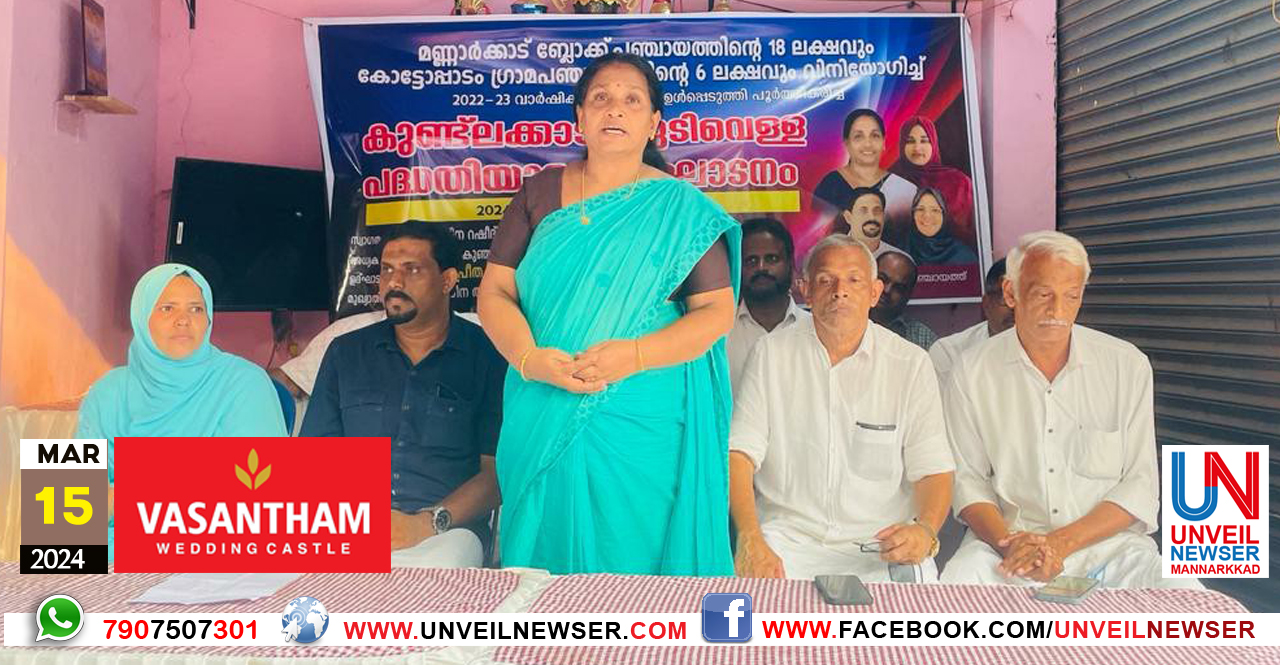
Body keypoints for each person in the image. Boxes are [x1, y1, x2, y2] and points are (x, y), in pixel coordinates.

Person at [476, 52, 740, 576]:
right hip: (543, 397)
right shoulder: (539, 192)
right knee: (544, 569)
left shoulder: (682, 209)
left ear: (653, 122)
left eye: (631, 100)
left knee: (638, 561)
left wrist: (634, 355)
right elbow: (495, 292)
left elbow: (715, 312)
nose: (614, 109)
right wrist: (529, 359)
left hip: (641, 416)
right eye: (600, 97)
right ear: (580, 116)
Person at [940, 231, 1201, 589]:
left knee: (1187, 598)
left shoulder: (1126, 365)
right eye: (1043, 294)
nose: (1057, 311)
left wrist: (1059, 544)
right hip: (1005, 548)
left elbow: (1140, 485)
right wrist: (1012, 545)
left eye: (1071, 296)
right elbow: (968, 482)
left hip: (1110, 551)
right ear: (1011, 293)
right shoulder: (971, 370)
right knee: (955, 592)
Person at [729, 235, 954, 582]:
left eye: (854, 280)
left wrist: (925, 530)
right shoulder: (770, 353)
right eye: (825, 280)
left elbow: (933, 469)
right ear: (805, 290)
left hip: (882, 546)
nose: (839, 291)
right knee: (753, 611)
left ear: (875, 292)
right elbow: (740, 453)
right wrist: (749, 537)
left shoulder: (910, 364)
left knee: (917, 612)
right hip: (788, 544)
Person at [301, 222, 503, 569]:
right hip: (351, 523)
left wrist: (427, 523)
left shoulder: (488, 357)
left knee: (427, 585)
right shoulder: (345, 353)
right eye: (387, 270)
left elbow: (497, 475)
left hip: (444, 531)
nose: (394, 282)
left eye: (412, 270)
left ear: (448, 280)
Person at [76, 264, 287, 560]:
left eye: (196, 309)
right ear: (141, 317)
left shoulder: (245, 383)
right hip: (111, 555)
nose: (183, 320)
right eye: (167, 308)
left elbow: (257, 504)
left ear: (209, 318)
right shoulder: (107, 391)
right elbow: (61, 514)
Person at [726, 218, 810, 389]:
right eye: (751, 261)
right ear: (737, 268)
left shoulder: (815, 329)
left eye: (772, 259)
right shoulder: (720, 334)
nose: (761, 268)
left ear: (791, 265)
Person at [813, 109, 918, 245]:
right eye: (858, 137)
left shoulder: (904, 190)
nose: (868, 144)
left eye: (875, 136)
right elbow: (816, 235)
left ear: (884, 142)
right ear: (847, 143)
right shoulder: (829, 185)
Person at [890, 116, 976, 244]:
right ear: (902, 145)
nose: (917, 148)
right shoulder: (893, 184)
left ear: (934, 143)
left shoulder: (959, 183)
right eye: (910, 141)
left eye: (924, 141)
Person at [929, 258, 1013, 382]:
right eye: (1007, 298)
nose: (1016, 308)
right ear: (986, 304)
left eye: (1028, 299)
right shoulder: (950, 353)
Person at [270, 311, 386, 399]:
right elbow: (292, 382)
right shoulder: (351, 329)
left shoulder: (354, 330)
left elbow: (291, 383)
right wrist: (258, 379)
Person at [871, 252, 937, 350]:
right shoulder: (846, 323)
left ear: (908, 295)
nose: (887, 290)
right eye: (882, 279)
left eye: (898, 288)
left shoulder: (923, 340)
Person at [906, 187, 978, 267]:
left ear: (944, 215)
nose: (927, 215)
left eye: (935, 210)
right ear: (913, 214)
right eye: (920, 209)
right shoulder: (903, 252)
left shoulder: (964, 256)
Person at [835, 187, 910, 259]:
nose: (872, 217)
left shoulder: (901, 260)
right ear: (848, 217)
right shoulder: (831, 255)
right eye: (863, 211)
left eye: (877, 211)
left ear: (883, 216)